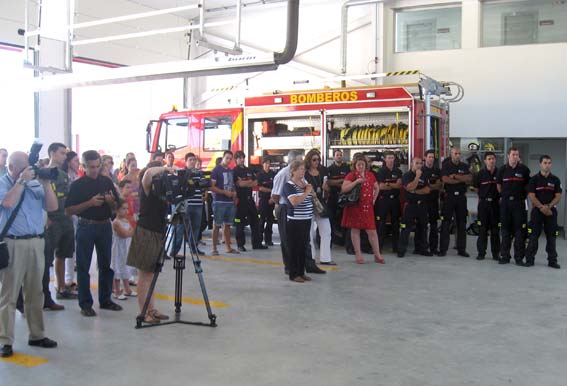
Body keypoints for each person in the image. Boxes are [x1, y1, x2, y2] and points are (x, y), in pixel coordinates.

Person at [0, 151, 59, 358]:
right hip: (13, 243)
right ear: (12, 168)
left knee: (36, 292)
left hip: (36, 242)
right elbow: (7, 203)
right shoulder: (3, 183)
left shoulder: (35, 184)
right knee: (9, 294)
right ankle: (5, 340)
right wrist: (22, 182)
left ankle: (37, 334)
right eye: (25, 167)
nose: (29, 170)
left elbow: (52, 206)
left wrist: (45, 183)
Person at [65, 150, 122, 317]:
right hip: (86, 227)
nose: (95, 170)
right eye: (91, 167)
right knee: (83, 266)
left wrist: (111, 202)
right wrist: (89, 203)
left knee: (106, 265)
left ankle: (105, 299)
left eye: (97, 166)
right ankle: (85, 304)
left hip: (104, 226)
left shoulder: (106, 181)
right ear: (84, 166)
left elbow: (116, 207)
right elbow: (69, 210)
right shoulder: (77, 185)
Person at [126, 161, 171, 324]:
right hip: (146, 231)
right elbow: (148, 174)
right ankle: (144, 312)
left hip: (157, 232)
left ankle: (151, 309)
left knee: (151, 274)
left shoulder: (161, 190)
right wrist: (166, 168)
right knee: (144, 275)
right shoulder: (146, 185)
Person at [272, 150, 325, 275]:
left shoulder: (301, 175)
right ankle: (290, 267)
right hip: (286, 208)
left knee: (304, 240)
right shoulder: (283, 175)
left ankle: (308, 265)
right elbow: (275, 195)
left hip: (301, 211)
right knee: (288, 240)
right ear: (292, 162)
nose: (303, 163)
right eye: (300, 159)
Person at [42, 143, 75, 311]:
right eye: (61, 153)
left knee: (63, 254)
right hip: (52, 220)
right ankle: (45, 295)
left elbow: (67, 196)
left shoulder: (63, 175)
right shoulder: (43, 176)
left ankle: (62, 287)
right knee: (47, 259)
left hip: (65, 218)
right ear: (52, 153)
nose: (64, 157)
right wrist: (45, 217)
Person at [340, 154, 384, 264]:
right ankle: (358, 254)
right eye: (358, 164)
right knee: (355, 230)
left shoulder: (370, 175)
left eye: (362, 164)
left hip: (367, 207)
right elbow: (344, 189)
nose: (360, 166)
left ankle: (377, 255)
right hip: (355, 207)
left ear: (366, 165)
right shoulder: (351, 176)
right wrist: (356, 182)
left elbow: (377, 188)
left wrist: (373, 199)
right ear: (355, 165)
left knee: (372, 231)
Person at [524, 155, 562, 269]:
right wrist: (542, 207)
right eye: (545, 163)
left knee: (552, 237)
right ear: (540, 164)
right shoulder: (534, 179)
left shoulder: (555, 180)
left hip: (551, 212)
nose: (547, 165)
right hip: (537, 211)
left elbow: (558, 196)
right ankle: (530, 260)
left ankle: (552, 261)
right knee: (533, 236)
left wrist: (548, 207)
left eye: (549, 163)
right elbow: (531, 196)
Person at [496, 147, 531, 266]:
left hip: (519, 204)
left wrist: (521, 197)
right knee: (505, 231)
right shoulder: (502, 170)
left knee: (519, 232)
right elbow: (499, 186)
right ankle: (505, 256)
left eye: (517, 155)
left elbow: (528, 186)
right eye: (513, 154)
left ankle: (519, 258)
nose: (515, 157)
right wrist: (505, 196)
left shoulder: (524, 170)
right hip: (505, 204)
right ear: (508, 156)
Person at [283, 160, 315, 283]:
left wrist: (308, 191)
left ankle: (301, 272)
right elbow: (295, 202)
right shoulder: (289, 185)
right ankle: (293, 273)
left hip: (306, 219)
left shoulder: (304, 183)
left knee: (303, 247)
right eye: (300, 169)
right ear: (293, 171)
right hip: (295, 221)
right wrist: (307, 191)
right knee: (294, 247)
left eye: (304, 169)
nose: (303, 171)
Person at [439, 147, 472, 257]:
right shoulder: (446, 166)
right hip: (449, 198)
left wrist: (455, 176)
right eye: (455, 153)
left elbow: (469, 179)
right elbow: (445, 179)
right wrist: (460, 179)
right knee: (446, 224)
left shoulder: (464, 166)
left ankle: (461, 249)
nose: (458, 155)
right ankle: (443, 249)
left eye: (459, 153)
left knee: (461, 223)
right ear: (451, 154)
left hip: (461, 198)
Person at [170, 153, 206, 257]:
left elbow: (204, 185)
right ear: (185, 161)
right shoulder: (181, 173)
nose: (193, 162)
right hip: (185, 204)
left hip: (198, 203)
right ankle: (174, 250)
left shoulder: (200, 173)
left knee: (195, 228)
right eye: (190, 160)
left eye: (194, 160)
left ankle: (194, 248)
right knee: (180, 228)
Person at [305, 149, 334, 265]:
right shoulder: (305, 173)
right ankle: (310, 257)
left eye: (318, 159)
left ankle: (325, 258)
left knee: (326, 230)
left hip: (320, 203)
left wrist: (326, 188)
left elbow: (328, 189)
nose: (316, 162)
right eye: (314, 160)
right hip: (308, 203)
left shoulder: (322, 171)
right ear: (309, 160)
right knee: (309, 232)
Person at [233, 151, 266, 251]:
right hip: (240, 200)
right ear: (236, 159)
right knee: (240, 223)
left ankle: (256, 244)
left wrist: (245, 182)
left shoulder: (249, 170)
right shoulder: (235, 171)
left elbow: (255, 182)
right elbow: (239, 184)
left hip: (249, 199)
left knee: (255, 221)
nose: (242, 159)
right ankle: (240, 245)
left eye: (243, 157)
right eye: (239, 158)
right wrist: (248, 182)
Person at [398, 158, 431, 257]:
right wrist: (417, 177)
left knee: (423, 228)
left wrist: (416, 191)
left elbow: (427, 190)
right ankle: (401, 250)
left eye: (421, 163)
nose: (419, 165)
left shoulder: (424, 174)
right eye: (417, 163)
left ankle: (422, 249)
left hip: (422, 205)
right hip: (410, 205)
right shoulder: (407, 175)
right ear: (412, 164)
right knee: (406, 228)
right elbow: (409, 187)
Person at [473, 152, 500, 261]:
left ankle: (495, 254)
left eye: (493, 158)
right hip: (483, 205)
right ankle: (481, 253)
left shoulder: (500, 173)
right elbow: (475, 188)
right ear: (485, 161)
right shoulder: (480, 174)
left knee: (495, 231)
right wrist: (482, 195)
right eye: (489, 159)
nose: (491, 161)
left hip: (496, 205)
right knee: (482, 230)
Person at [210, 151, 238, 255]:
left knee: (228, 225)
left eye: (231, 159)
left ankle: (228, 247)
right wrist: (224, 192)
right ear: (223, 158)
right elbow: (212, 187)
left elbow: (232, 184)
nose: (229, 160)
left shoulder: (231, 171)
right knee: (217, 225)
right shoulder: (216, 170)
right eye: (227, 158)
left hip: (229, 202)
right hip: (219, 201)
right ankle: (214, 248)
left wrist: (234, 192)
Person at [374, 151, 402, 253]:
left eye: (392, 157)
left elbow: (399, 185)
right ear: (385, 159)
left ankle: (396, 247)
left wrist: (387, 184)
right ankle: (379, 248)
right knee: (381, 225)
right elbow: (381, 186)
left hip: (394, 200)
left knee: (396, 224)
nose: (390, 160)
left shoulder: (398, 171)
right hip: (383, 201)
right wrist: (393, 184)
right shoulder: (380, 172)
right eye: (389, 158)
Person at [62, 151, 80, 290]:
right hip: (66, 215)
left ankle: (69, 279)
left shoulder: (75, 177)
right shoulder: (64, 178)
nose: (78, 163)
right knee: (65, 250)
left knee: (72, 250)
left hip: (76, 215)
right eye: (75, 160)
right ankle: (65, 281)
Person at [112, 200, 136, 299]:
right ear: (116, 210)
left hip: (125, 248)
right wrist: (130, 232)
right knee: (117, 267)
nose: (126, 211)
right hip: (118, 249)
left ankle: (127, 289)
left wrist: (130, 232)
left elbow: (131, 232)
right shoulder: (116, 222)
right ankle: (117, 290)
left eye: (127, 208)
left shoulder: (126, 221)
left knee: (125, 267)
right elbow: (125, 234)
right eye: (123, 209)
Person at [326, 149, 350, 246]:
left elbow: (349, 181)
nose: (339, 156)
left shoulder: (347, 168)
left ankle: (343, 240)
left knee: (344, 218)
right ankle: (331, 239)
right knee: (331, 218)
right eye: (337, 155)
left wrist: (336, 182)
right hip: (333, 196)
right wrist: (341, 181)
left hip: (344, 196)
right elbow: (329, 182)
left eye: (340, 155)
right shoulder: (329, 169)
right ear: (333, 157)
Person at [422, 149, 442, 254]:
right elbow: (420, 186)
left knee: (434, 225)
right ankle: (424, 248)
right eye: (429, 157)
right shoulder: (420, 170)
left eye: (433, 157)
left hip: (434, 201)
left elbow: (439, 185)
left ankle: (434, 248)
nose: (431, 159)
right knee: (423, 225)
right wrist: (430, 186)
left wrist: (429, 186)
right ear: (425, 157)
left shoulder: (437, 171)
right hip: (423, 202)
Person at [257, 157, 275, 246]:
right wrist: (271, 191)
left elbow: (275, 187)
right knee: (261, 220)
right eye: (266, 163)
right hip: (263, 200)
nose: (268, 165)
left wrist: (273, 197)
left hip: (271, 200)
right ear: (263, 164)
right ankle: (259, 240)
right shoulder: (260, 174)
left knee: (270, 220)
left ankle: (268, 240)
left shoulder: (273, 174)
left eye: (269, 163)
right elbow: (260, 188)